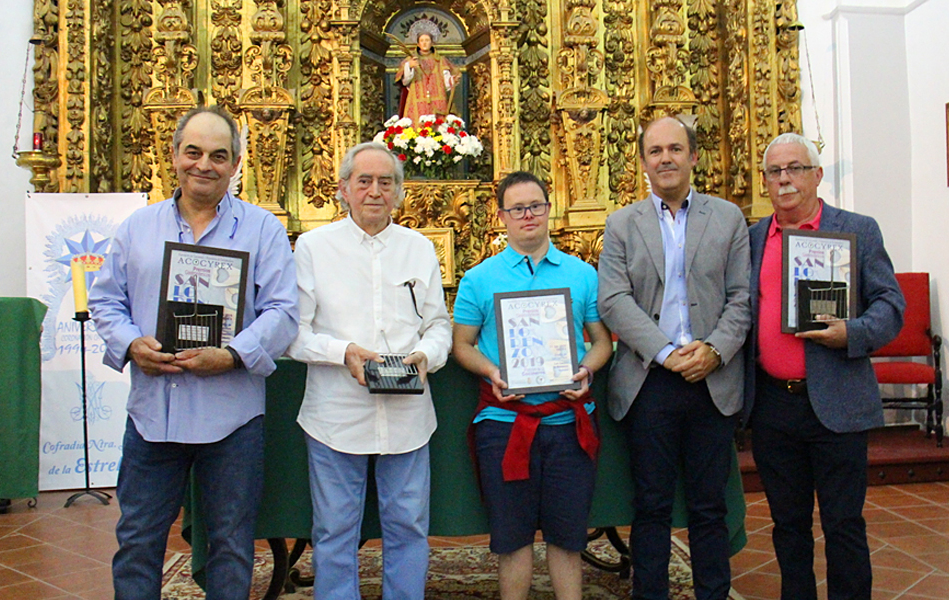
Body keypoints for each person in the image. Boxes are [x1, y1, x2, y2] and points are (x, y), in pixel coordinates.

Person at [89, 105, 299, 599]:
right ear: (174, 155)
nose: (204, 164)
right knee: (138, 539)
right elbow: (105, 299)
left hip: (232, 417)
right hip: (152, 415)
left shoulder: (262, 229)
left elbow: (283, 311)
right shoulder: (137, 227)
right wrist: (129, 344)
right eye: (194, 152)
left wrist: (233, 355)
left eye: (218, 155)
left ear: (235, 164)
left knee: (230, 543)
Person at [287, 141, 452, 600]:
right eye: (364, 181)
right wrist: (344, 352)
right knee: (335, 531)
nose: (374, 191)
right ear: (343, 188)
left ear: (399, 192)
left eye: (386, 182)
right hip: (336, 416)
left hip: (407, 418)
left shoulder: (419, 248)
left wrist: (426, 356)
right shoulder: (314, 248)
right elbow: (293, 333)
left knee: (408, 528)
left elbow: (439, 325)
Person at [745, 133, 904, 600]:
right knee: (787, 526)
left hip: (836, 399)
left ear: (817, 175)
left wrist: (850, 334)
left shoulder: (857, 229)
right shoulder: (753, 238)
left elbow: (891, 306)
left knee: (843, 524)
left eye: (795, 168)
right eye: (775, 171)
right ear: (765, 182)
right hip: (774, 404)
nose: (785, 179)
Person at [597, 115, 750, 600]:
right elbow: (614, 299)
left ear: (693, 156)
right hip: (650, 382)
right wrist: (666, 353)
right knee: (653, 504)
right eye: (656, 151)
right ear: (643, 161)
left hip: (712, 377)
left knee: (708, 507)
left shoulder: (727, 218)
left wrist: (713, 349)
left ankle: (713, 594)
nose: (665, 158)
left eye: (675, 149)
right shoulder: (622, 223)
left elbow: (742, 297)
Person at [452, 171, 613, 600]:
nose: (528, 215)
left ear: (548, 209)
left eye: (536, 206)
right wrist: (491, 372)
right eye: (517, 208)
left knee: (568, 538)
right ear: (501, 216)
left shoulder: (582, 275)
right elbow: (462, 346)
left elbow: (601, 342)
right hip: (505, 424)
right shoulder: (478, 279)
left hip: (568, 421)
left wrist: (587, 371)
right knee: (513, 539)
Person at [396, 29, 455, 121]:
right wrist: (409, 66)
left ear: (432, 43)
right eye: (422, 41)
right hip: (416, 98)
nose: (424, 43)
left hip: (437, 100)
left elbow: (447, 83)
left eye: (427, 40)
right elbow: (405, 82)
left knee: (439, 129)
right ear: (418, 44)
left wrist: (452, 81)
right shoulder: (411, 60)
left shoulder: (440, 60)